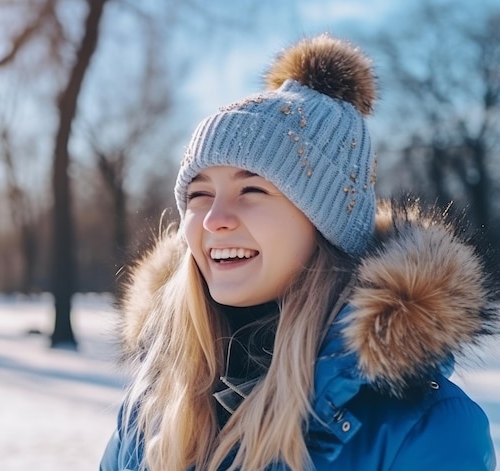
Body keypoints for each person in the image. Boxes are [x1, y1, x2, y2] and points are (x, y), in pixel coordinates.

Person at [100, 34, 499, 470]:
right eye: (199, 195)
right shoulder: (155, 401)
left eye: (252, 189)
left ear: (326, 225)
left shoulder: (425, 429)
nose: (215, 219)